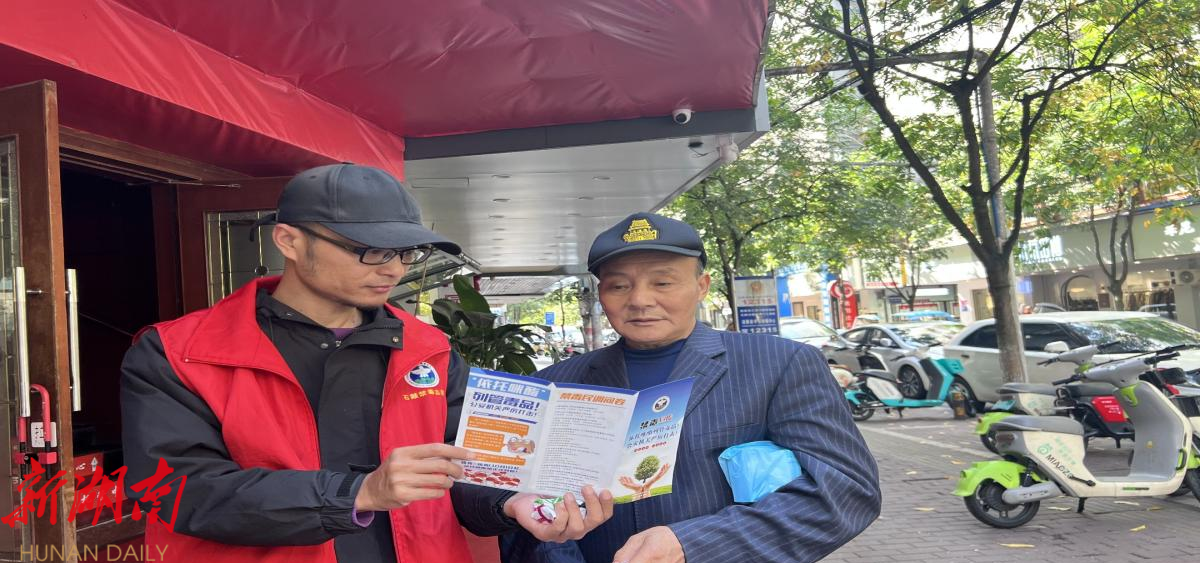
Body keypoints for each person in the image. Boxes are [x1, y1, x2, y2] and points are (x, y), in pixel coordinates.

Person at [121, 164, 613, 563]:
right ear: (289, 241)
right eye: (370, 250)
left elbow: (469, 466)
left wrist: (510, 502)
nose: (393, 269)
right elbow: (176, 490)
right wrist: (358, 493)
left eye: (405, 252)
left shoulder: (430, 349)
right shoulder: (181, 352)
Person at [483, 212, 881, 562]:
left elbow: (845, 491)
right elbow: (495, 493)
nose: (640, 300)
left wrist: (694, 545)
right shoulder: (555, 383)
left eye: (663, 282)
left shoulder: (779, 365)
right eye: (619, 286)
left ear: (702, 285)